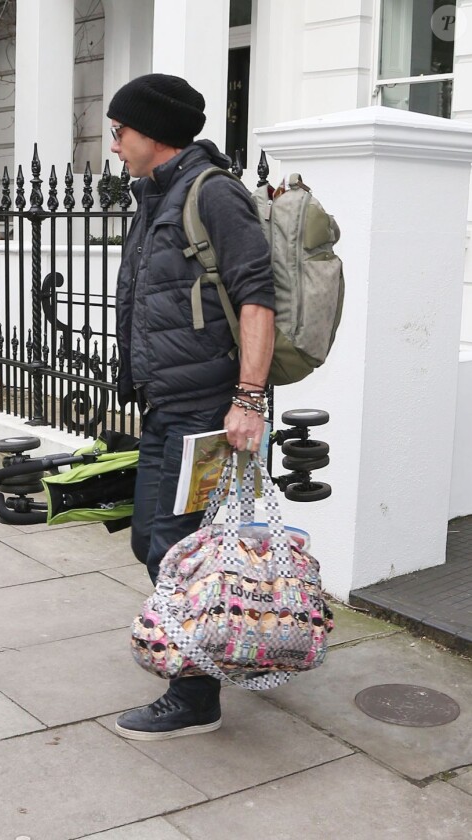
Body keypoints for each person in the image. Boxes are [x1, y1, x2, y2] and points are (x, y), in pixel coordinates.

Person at [107, 73, 275, 740]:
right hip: (167, 406)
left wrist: (249, 401)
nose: (114, 144)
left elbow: (257, 298)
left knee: (176, 547)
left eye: (120, 131)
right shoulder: (157, 197)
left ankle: (195, 692)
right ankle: (222, 646)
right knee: (156, 538)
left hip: (206, 412)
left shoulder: (215, 196)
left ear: (153, 133)